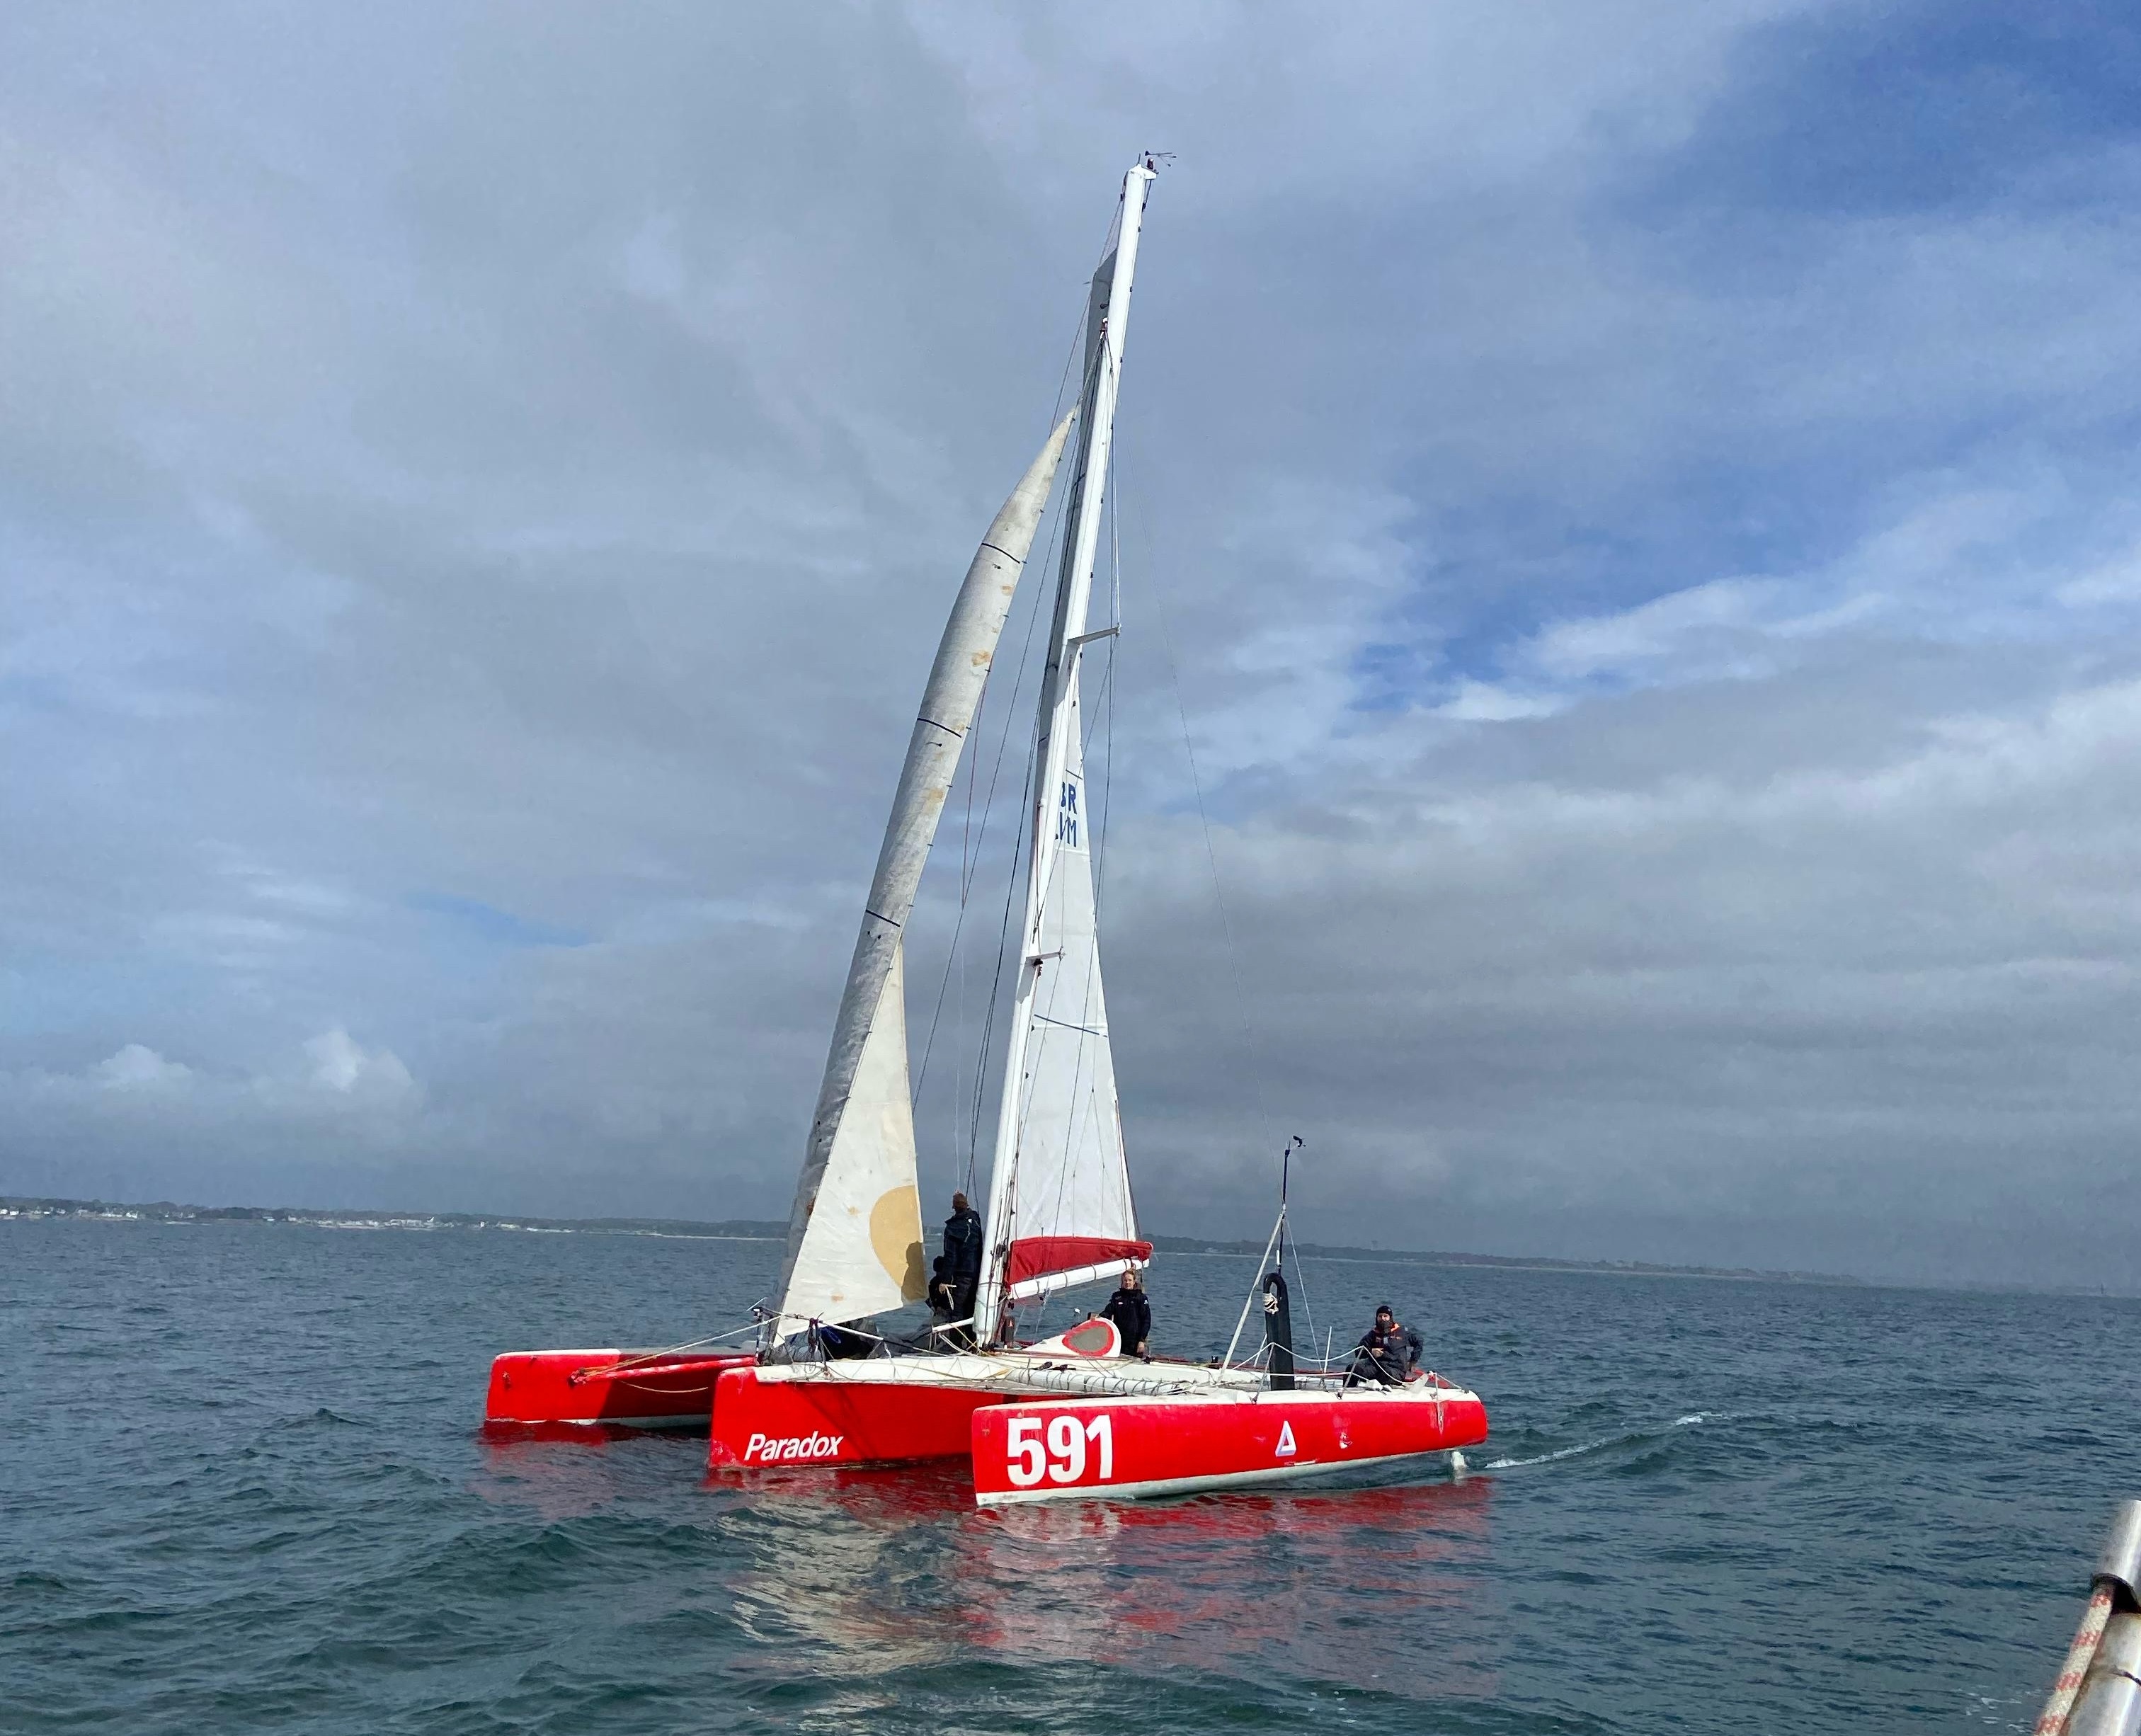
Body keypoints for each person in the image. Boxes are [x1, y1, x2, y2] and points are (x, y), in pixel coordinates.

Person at [1349, 1303, 1423, 1386]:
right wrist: (1371, 1352)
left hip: (1395, 1370)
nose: (1383, 1318)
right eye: (1380, 1316)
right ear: (1376, 1318)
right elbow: (1358, 1352)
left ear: (1390, 1318)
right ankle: (1348, 1391)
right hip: (1376, 1368)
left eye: (1385, 1316)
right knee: (1352, 1369)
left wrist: (1413, 1361)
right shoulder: (1372, 1334)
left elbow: (1419, 1342)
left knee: (1384, 1375)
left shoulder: (1402, 1332)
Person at [942, 1192, 984, 1326]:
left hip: (963, 1276)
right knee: (972, 1309)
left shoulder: (952, 1228)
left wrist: (945, 1281)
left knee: (957, 1311)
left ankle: (957, 1338)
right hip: (978, 1274)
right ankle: (973, 1338)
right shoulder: (975, 1219)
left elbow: (950, 1257)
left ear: (953, 1207)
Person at [1098, 1269, 1151, 1359]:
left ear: (1134, 1282)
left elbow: (1147, 1320)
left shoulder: (1141, 1298)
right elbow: (1108, 1312)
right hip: (1119, 1339)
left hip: (1135, 1341)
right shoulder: (1117, 1297)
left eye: (1130, 1280)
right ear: (1122, 1282)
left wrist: (1142, 1341)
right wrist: (1099, 1318)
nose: (1127, 1283)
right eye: (1125, 1280)